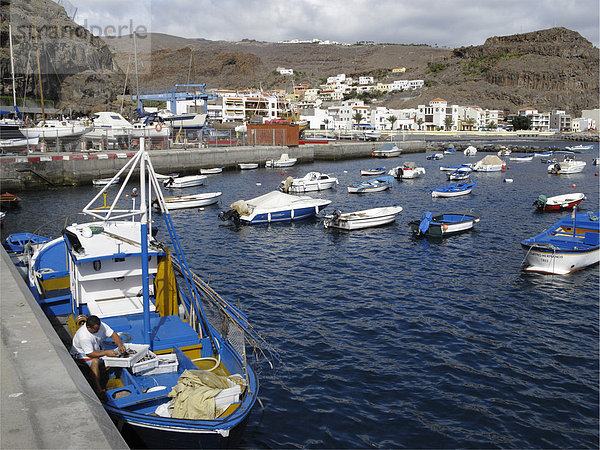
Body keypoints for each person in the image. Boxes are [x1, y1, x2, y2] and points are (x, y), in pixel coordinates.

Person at [70, 315, 126, 400]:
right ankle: (98, 389)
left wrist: (120, 345)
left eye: (99, 328)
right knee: (95, 361)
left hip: (96, 349)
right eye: (96, 329)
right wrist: (106, 353)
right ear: (88, 327)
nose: (99, 330)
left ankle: (92, 375)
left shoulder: (100, 325)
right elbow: (90, 354)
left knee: (112, 359)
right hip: (81, 355)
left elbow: (113, 334)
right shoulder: (84, 337)